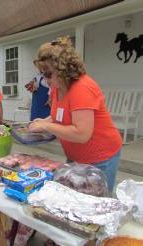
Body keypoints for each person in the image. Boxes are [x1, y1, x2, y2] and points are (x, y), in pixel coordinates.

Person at [29, 36, 122, 192]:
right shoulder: (58, 87)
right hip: (76, 156)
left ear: (62, 69)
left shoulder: (82, 89)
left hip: (99, 157)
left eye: (48, 74)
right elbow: (58, 114)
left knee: (94, 204)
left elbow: (81, 134)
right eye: (42, 73)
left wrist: (46, 126)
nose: (45, 79)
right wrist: (44, 120)